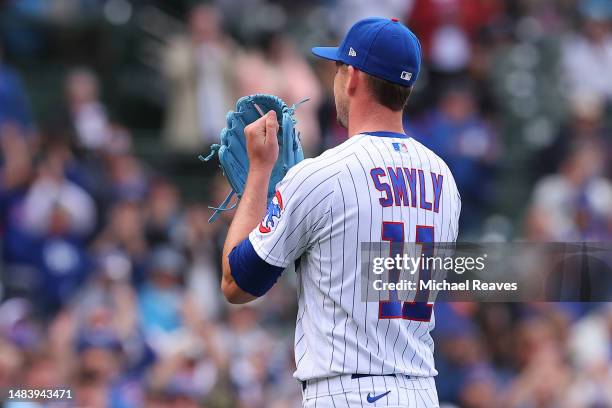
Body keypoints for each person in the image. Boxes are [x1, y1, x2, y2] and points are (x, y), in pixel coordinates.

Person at [219, 17, 461, 407]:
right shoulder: (444, 178)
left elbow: (237, 282)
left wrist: (259, 174)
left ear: (352, 78)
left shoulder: (323, 174)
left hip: (348, 392)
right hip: (420, 389)